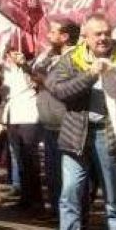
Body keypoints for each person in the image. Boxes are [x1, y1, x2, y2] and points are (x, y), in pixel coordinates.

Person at [45, 13, 116, 230]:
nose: (104, 38)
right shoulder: (71, 59)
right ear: (85, 36)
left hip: (108, 136)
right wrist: (90, 74)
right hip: (76, 137)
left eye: (107, 32)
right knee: (70, 195)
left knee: (113, 199)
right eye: (97, 34)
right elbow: (59, 90)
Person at [32, 20, 80, 217]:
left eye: (53, 31)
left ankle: (74, 216)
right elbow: (39, 75)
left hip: (66, 125)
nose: (48, 35)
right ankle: (56, 211)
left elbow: (63, 88)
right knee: (52, 174)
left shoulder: (75, 58)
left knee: (69, 177)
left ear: (65, 36)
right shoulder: (52, 56)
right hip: (49, 124)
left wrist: (44, 80)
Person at [2, 47, 43, 216]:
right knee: (20, 160)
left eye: (13, 51)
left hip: (28, 116)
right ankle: (25, 198)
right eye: (8, 52)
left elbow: (36, 81)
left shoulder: (32, 66)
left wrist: (25, 65)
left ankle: (37, 201)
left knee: (30, 159)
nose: (10, 55)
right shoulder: (7, 71)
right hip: (13, 116)